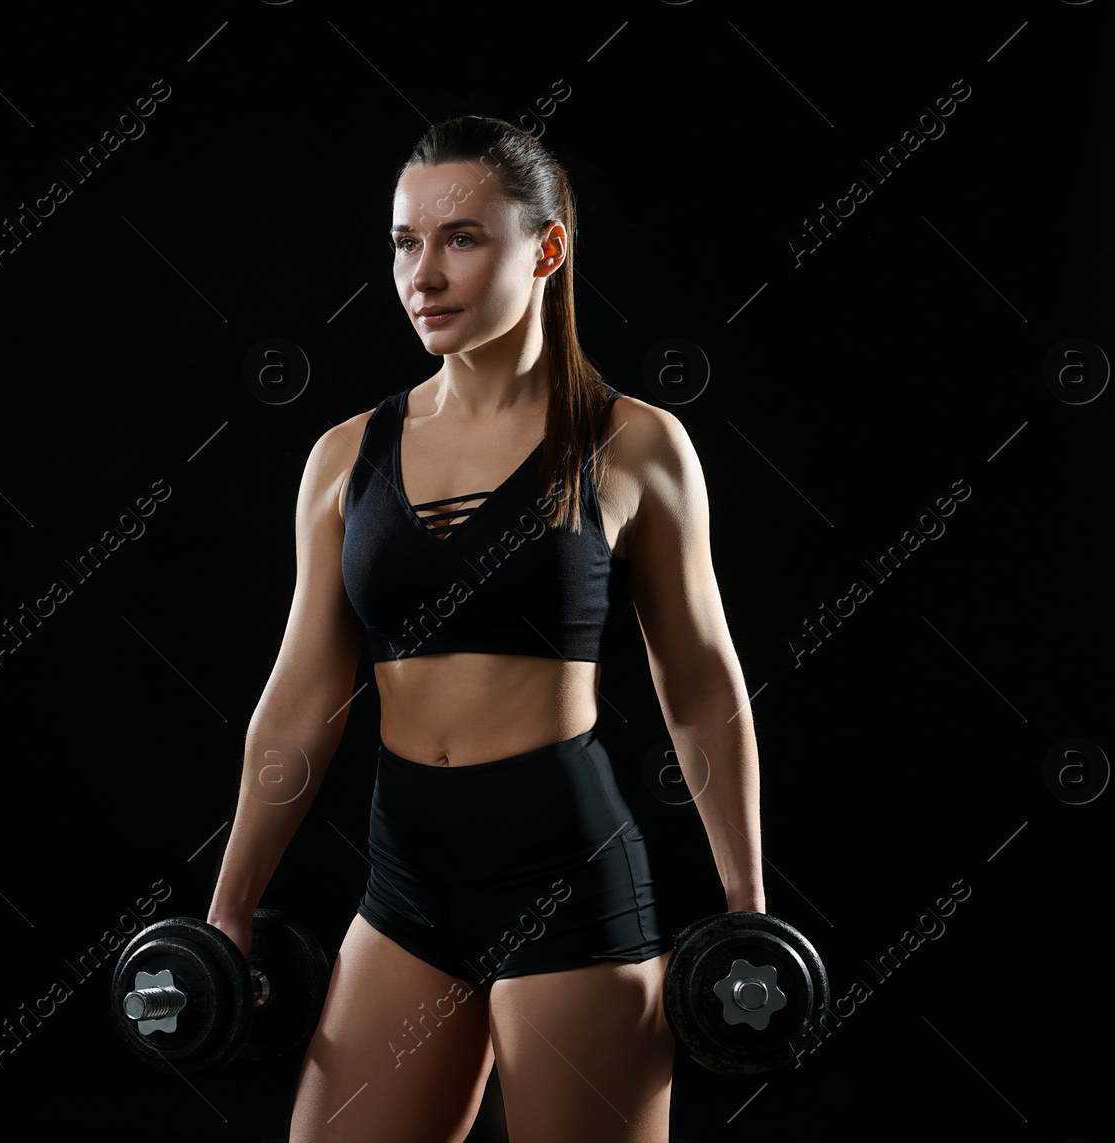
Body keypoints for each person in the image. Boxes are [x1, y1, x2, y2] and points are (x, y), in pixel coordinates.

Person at [206, 115, 765, 1143]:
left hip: (566, 877)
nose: (423, 273)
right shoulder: (344, 457)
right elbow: (301, 700)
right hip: (407, 880)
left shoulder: (633, 444)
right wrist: (230, 907)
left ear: (545, 250)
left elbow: (700, 688)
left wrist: (746, 906)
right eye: (404, 242)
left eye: (461, 238)